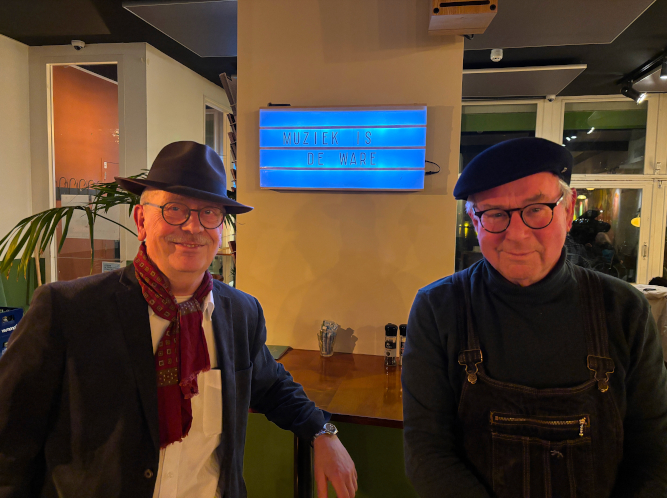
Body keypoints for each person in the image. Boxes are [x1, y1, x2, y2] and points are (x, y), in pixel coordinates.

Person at [0, 141, 357, 498]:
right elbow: (10, 436)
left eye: (209, 213)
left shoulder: (240, 313)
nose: (192, 226)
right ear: (141, 220)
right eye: (174, 209)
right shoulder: (68, 310)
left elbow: (272, 385)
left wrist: (323, 433)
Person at [402, 137, 667, 497]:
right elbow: (427, 452)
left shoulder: (624, 309)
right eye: (495, 213)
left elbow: (654, 452)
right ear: (475, 221)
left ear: (568, 210)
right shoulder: (438, 308)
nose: (516, 234)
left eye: (536, 209)